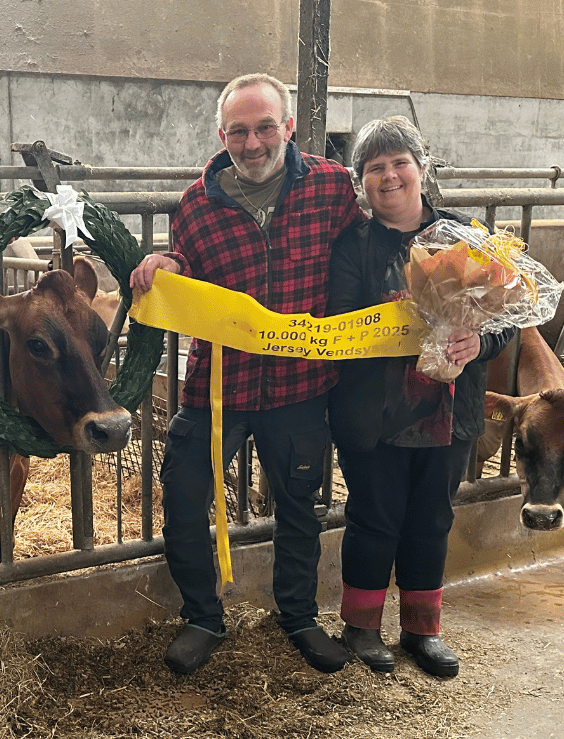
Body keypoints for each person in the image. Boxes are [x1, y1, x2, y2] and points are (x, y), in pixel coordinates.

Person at [130, 73, 366, 675]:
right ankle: (204, 617)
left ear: (288, 127)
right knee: (183, 497)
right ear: (222, 134)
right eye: (239, 130)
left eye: (265, 127)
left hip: (299, 384)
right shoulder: (196, 203)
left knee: (298, 504)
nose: (253, 141)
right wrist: (166, 263)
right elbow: (188, 263)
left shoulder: (334, 188)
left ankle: (298, 615)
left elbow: (376, 240)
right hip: (218, 384)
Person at [327, 116, 513, 677]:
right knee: (374, 516)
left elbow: (509, 316)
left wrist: (476, 340)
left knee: (432, 517)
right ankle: (360, 626)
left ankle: (421, 630)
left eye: (399, 163)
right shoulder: (353, 246)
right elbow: (341, 322)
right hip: (374, 412)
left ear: (422, 169)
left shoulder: (466, 235)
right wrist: (401, 322)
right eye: (374, 168)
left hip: (449, 410)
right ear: (361, 182)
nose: (388, 176)